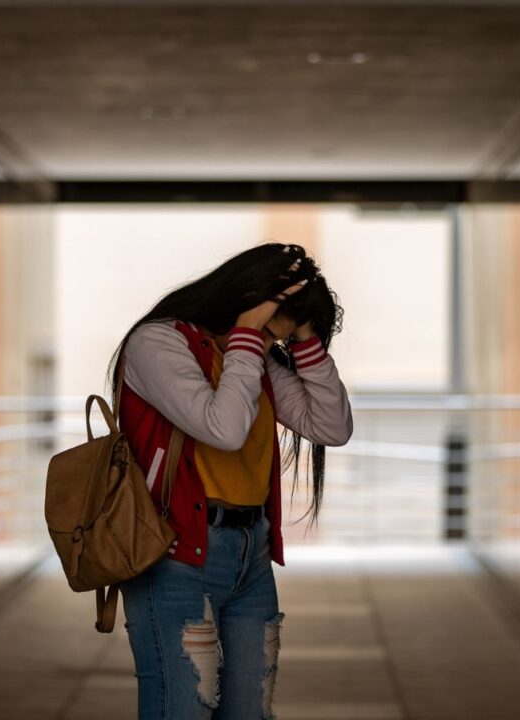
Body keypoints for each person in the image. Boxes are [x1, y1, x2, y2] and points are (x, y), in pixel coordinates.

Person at [106, 242, 353, 719]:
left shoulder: (250, 358)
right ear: (243, 302)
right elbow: (224, 428)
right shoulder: (158, 343)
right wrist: (248, 335)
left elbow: (331, 427)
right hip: (176, 557)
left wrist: (303, 340)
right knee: (182, 709)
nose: (267, 348)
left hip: (251, 558)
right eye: (266, 332)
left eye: (275, 341)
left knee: (249, 712)